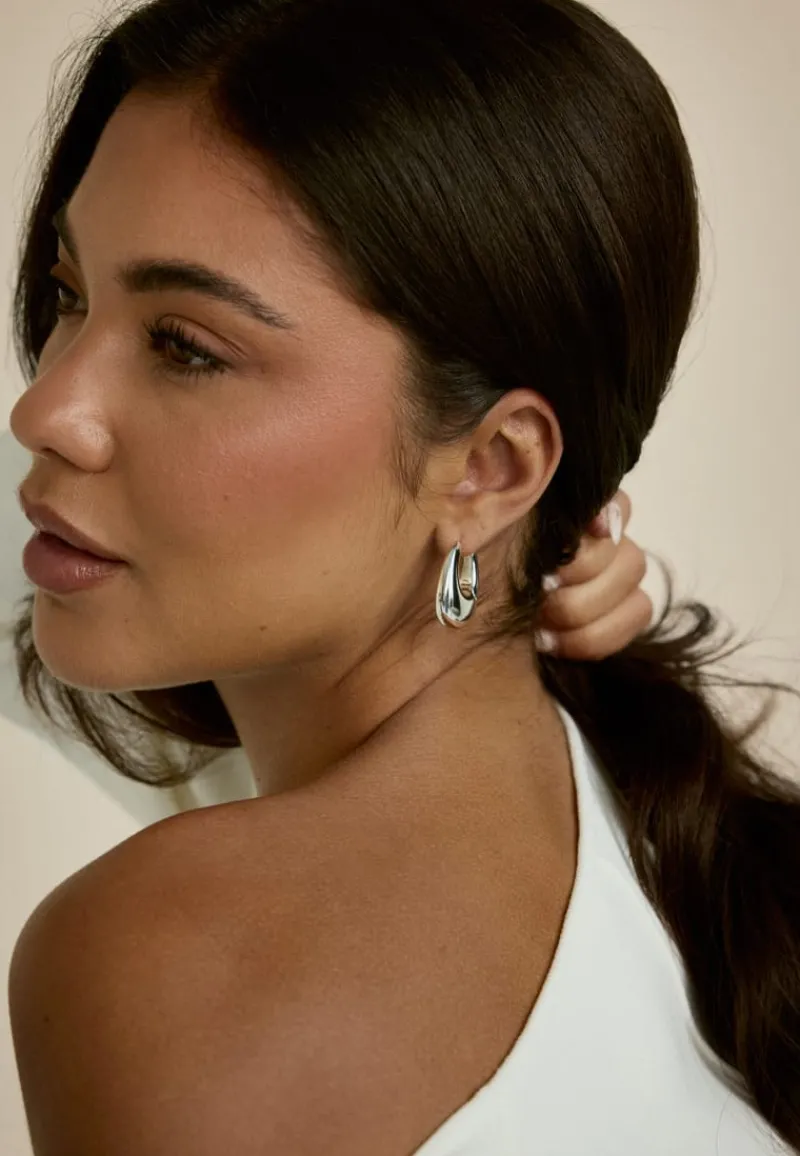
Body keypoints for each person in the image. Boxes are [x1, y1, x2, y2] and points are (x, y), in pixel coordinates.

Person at [4, 0, 799, 1153]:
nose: (44, 409)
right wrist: (530, 539)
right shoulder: (633, 829)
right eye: (72, 294)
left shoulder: (183, 960)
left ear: (491, 464)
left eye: (184, 347)